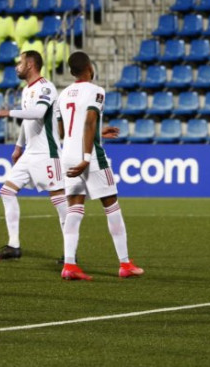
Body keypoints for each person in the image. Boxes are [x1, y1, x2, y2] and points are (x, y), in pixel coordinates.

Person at [54, 51, 143, 280]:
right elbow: (89, 120)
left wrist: (99, 130)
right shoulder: (96, 91)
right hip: (90, 157)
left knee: (74, 210)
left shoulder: (63, 95)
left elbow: (64, 131)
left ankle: (69, 265)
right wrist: (86, 155)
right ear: (89, 68)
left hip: (68, 157)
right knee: (111, 206)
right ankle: (125, 264)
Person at [0, 51, 66, 260]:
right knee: (6, 191)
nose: (17, 66)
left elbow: (39, 113)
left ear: (31, 65)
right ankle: (14, 246)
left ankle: (71, 251)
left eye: (20, 63)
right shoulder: (27, 91)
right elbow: (27, 121)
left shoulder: (46, 87)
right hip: (30, 153)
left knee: (59, 200)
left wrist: (9, 112)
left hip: (47, 154)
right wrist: (18, 146)